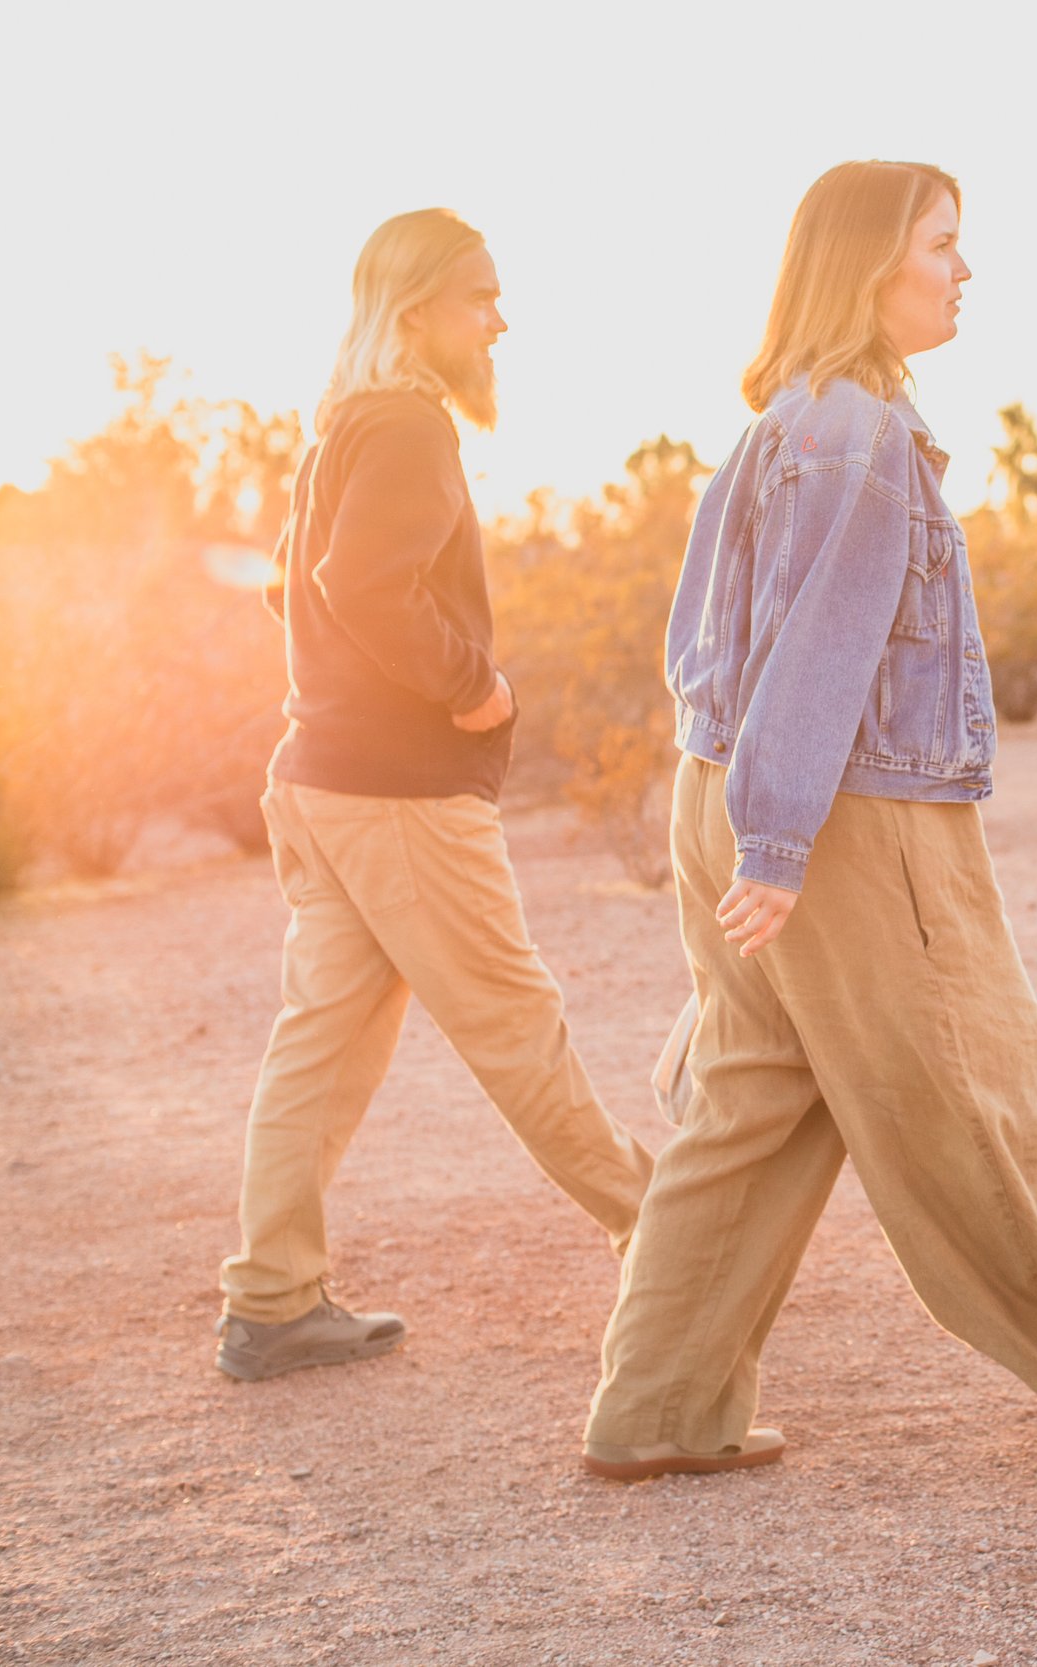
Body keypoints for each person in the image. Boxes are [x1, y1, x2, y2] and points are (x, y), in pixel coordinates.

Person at [580, 160, 1037, 1480]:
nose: (962, 271)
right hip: (845, 816)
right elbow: (820, 649)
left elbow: (709, 643)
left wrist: (742, 820)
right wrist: (780, 842)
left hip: (721, 785)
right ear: (867, 267)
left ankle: (654, 1403)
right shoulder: (863, 437)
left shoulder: (785, 420)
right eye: (941, 246)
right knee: (977, 1093)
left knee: (754, 1097)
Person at [216, 209, 654, 1382]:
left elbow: (284, 590)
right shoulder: (407, 424)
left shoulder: (341, 428)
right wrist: (473, 687)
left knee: (321, 1046)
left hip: (319, 780)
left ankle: (270, 1299)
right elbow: (352, 581)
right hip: (398, 793)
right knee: (517, 1024)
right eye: (481, 298)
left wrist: (348, 680)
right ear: (418, 313)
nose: (500, 320)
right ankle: (674, 1239)